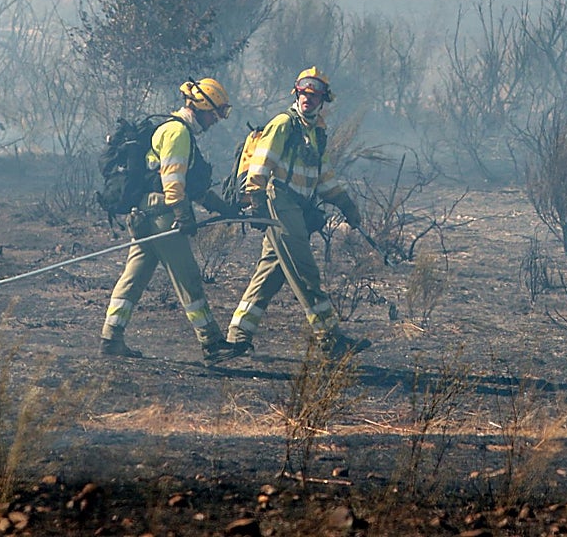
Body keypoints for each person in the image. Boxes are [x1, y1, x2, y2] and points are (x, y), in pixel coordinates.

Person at [226, 67, 372, 359]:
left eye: (314, 94)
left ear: (323, 99)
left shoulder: (317, 132)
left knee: (271, 271)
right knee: (304, 270)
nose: (308, 98)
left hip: (296, 206)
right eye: (304, 92)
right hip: (278, 200)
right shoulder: (283, 124)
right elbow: (262, 162)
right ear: (297, 93)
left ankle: (238, 335)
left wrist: (345, 203)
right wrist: (255, 198)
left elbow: (324, 176)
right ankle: (329, 338)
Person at [100, 77, 242, 363]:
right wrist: (181, 214)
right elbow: (173, 181)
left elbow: (195, 186)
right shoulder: (178, 133)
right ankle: (211, 342)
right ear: (202, 108)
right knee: (187, 277)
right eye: (215, 114)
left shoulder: (174, 130)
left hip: (144, 214)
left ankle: (111, 337)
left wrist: (223, 208)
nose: (216, 121)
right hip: (162, 214)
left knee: (134, 277)